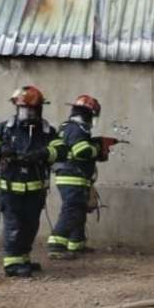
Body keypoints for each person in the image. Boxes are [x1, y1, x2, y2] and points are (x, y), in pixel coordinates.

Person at [0, 86, 67, 277]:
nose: (29, 113)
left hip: (35, 190)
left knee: (30, 225)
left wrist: (43, 153)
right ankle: (12, 263)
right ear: (17, 109)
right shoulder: (5, 128)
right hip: (10, 190)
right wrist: (0, 147)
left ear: (40, 109)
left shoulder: (46, 131)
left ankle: (23, 257)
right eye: (25, 109)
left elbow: (62, 150)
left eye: (33, 109)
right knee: (14, 224)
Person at [48, 94, 118, 259]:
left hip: (74, 176)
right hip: (72, 176)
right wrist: (98, 147)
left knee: (79, 210)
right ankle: (56, 245)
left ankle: (76, 243)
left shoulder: (71, 128)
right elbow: (81, 151)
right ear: (89, 114)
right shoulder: (75, 129)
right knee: (72, 209)